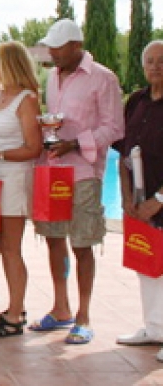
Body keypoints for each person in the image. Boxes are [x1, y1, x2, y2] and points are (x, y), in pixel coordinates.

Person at [30, 19, 124, 344]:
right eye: (50, 48)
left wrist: (76, 143)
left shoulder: (103, 79)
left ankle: (83, 316)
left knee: (82, 243)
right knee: (54, 239)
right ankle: (61, 308)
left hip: (84, 171)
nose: (52, 53)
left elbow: (114, 128)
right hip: (53, 170)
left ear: (75, 46)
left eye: (57, 48)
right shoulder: (52, 79)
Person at [0, 41, 43, 338]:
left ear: (9, 62)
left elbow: (33, 148)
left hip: (14, 178)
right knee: (1, 244)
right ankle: (15, 306)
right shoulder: (1, 95)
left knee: (11, 248)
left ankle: (15, 315)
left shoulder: (26, 99)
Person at [115, 40, 163, 358]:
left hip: (160, 198)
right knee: (147, 264)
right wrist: (126, 196)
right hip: (139, 197)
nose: (156, 66)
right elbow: (123, 152)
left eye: (162, 61)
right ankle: (155, 328)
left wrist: (159, 199)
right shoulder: (135, 101)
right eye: (150, 61)